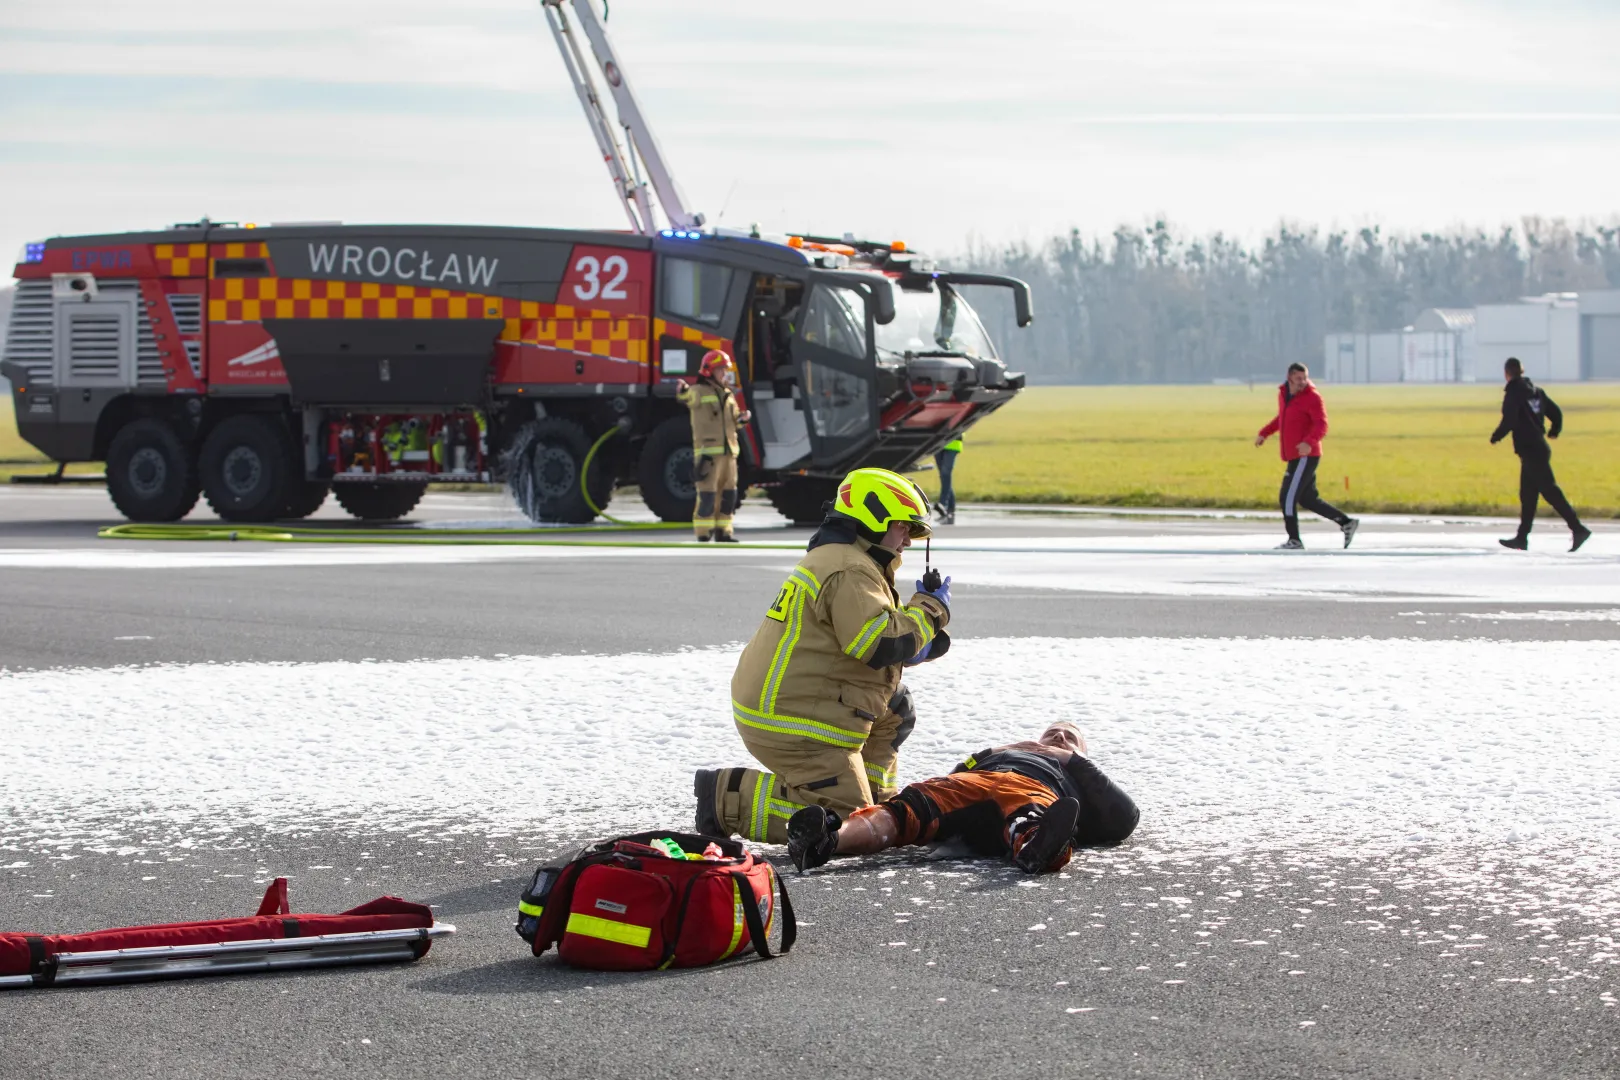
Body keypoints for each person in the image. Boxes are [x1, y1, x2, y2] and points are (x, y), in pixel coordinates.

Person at [695, 467, 951, 844]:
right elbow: (876, 643)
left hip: (791, 699)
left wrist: (917, 641)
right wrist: (929, 610)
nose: (908, 541)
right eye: (904, 528)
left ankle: (876, 798)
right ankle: (729, 798)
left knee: (895, 710)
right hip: (793, 719)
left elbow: (866, 640)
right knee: (852, 826)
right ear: (874, 518)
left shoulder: (847, 559)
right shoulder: (850, 569)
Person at [785, 721, 1138, 875]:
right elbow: (959, 770)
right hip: (972, 782)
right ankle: (829, 840)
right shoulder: (1002, 749)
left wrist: (1072, 759)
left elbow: (1125, 817)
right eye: (1053, 732)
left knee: (1029, 813)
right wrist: (994, 751)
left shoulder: (1078, 771)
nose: (1059, 737)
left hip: (1033, 788)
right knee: (910, 808)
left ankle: (1038, 846)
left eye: (1069, 737)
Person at [1254, 362, 1360, 550]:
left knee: (1287, 497)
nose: (1302, 382)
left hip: (1305, 455)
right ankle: (1346, 522)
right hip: (1293, 455)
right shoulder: (1284, 394)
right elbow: (1283, 418)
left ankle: (1294, 540)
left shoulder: (1312, 397)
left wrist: (1308, 442)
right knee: (1307, 499)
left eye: (1305, 378)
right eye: (1298, 379)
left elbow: (1322, 425)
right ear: (1289, 378)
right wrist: (1265, 433)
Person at [1491, 357, 1590, 552]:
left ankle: (1578, 529)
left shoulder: (1514, 393)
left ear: (1507, 373)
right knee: (1528, 495)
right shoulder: (1537, 392)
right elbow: (1556, 413)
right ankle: (1521, 538)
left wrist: (1496, 436)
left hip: (1530, 449)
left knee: (1550, 491)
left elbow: (1509, 419)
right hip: (1537, 447)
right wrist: (1554, 431)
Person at [675, 350, 750, 542]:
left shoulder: (727, 394)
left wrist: (742, 420)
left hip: (729, 453)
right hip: (709, 454)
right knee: (707, 495)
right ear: (709, 371)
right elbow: (687, 398)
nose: (724, 373)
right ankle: (703, 532)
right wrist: (683, 391)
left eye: (725, 370)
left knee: (729, 495)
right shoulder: (698, 391)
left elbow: (732, 422)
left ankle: (724, 531)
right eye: (721, 370)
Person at [933, 435, 961, 525]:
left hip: (953, 442)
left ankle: (943, 503)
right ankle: (950, 509)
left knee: (945, 473)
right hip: (937, 443)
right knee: (944, 477)